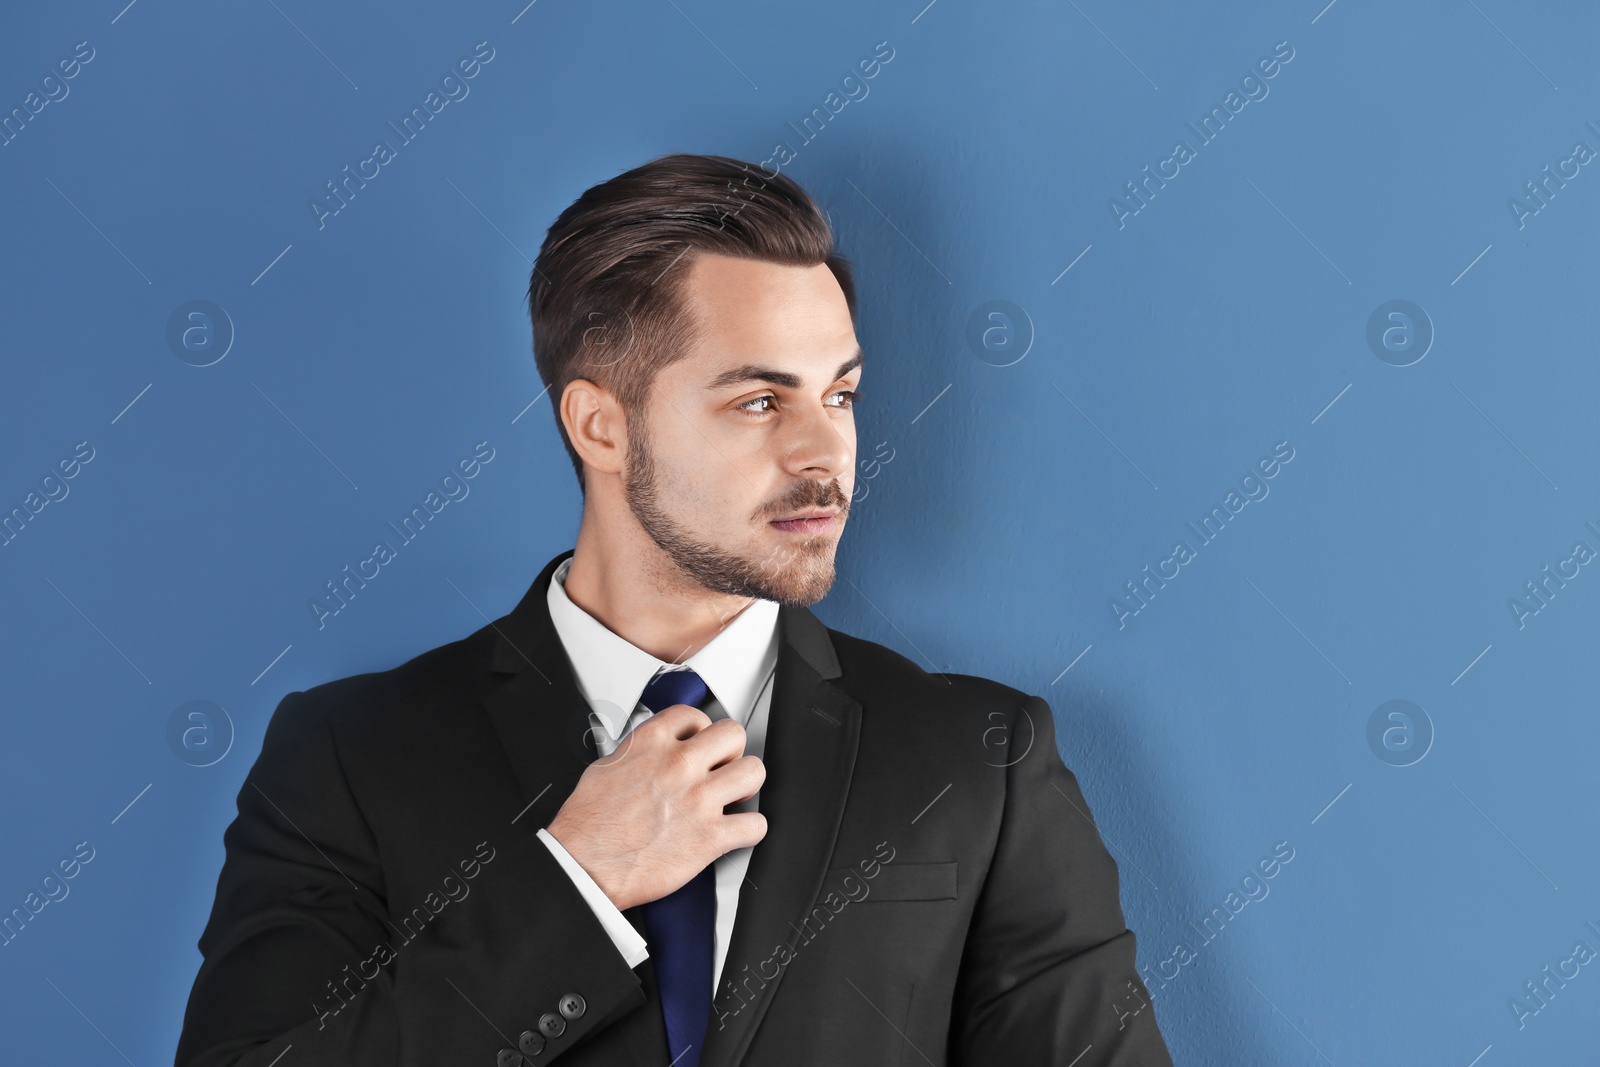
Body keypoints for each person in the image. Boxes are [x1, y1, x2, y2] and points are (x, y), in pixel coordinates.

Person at [175, 153, 1174, 1066]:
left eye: (841, 394)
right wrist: (576, 880)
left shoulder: (978, 755)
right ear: (600, 424)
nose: (823, 455)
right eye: (757, 401)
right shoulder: (352, 752)